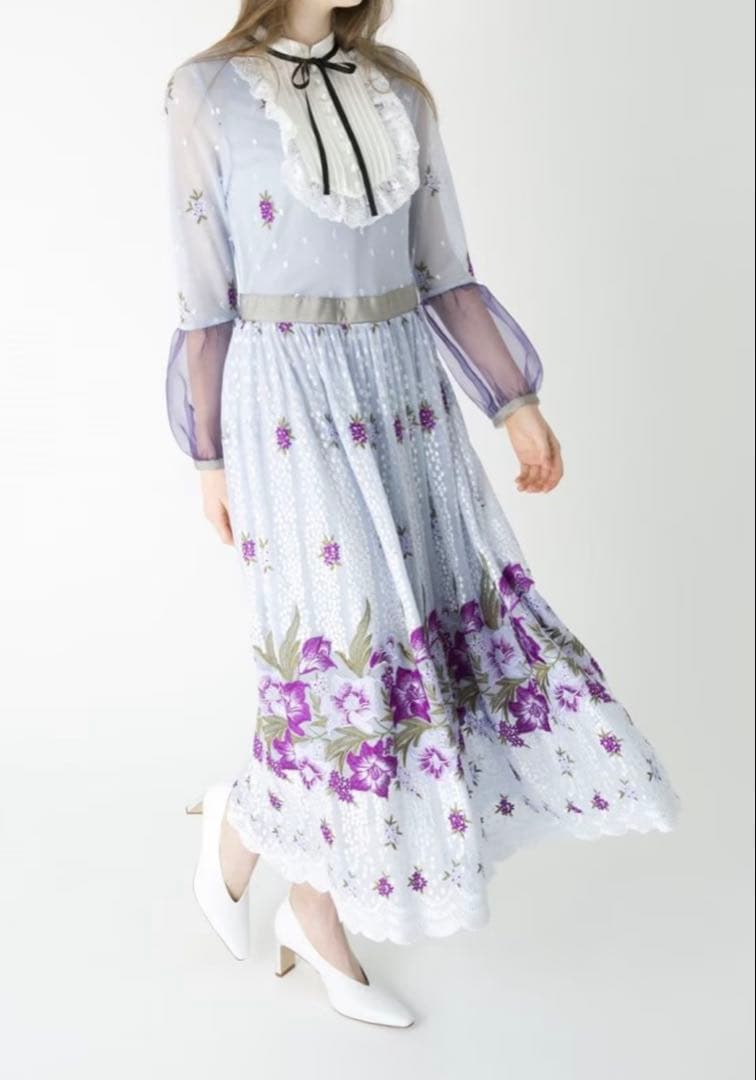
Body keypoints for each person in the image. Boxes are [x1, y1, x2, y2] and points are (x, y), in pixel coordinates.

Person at [164, 0, 680, 1027]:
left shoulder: (397, 86)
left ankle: (264, 839)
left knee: (414, 635)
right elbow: (202, 288)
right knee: (347, 635)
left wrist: (515, 404)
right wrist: (209, 452)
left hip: (403, 389)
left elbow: (444, 268)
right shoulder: (204, 90)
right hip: (286, 396)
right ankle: (301, 886)